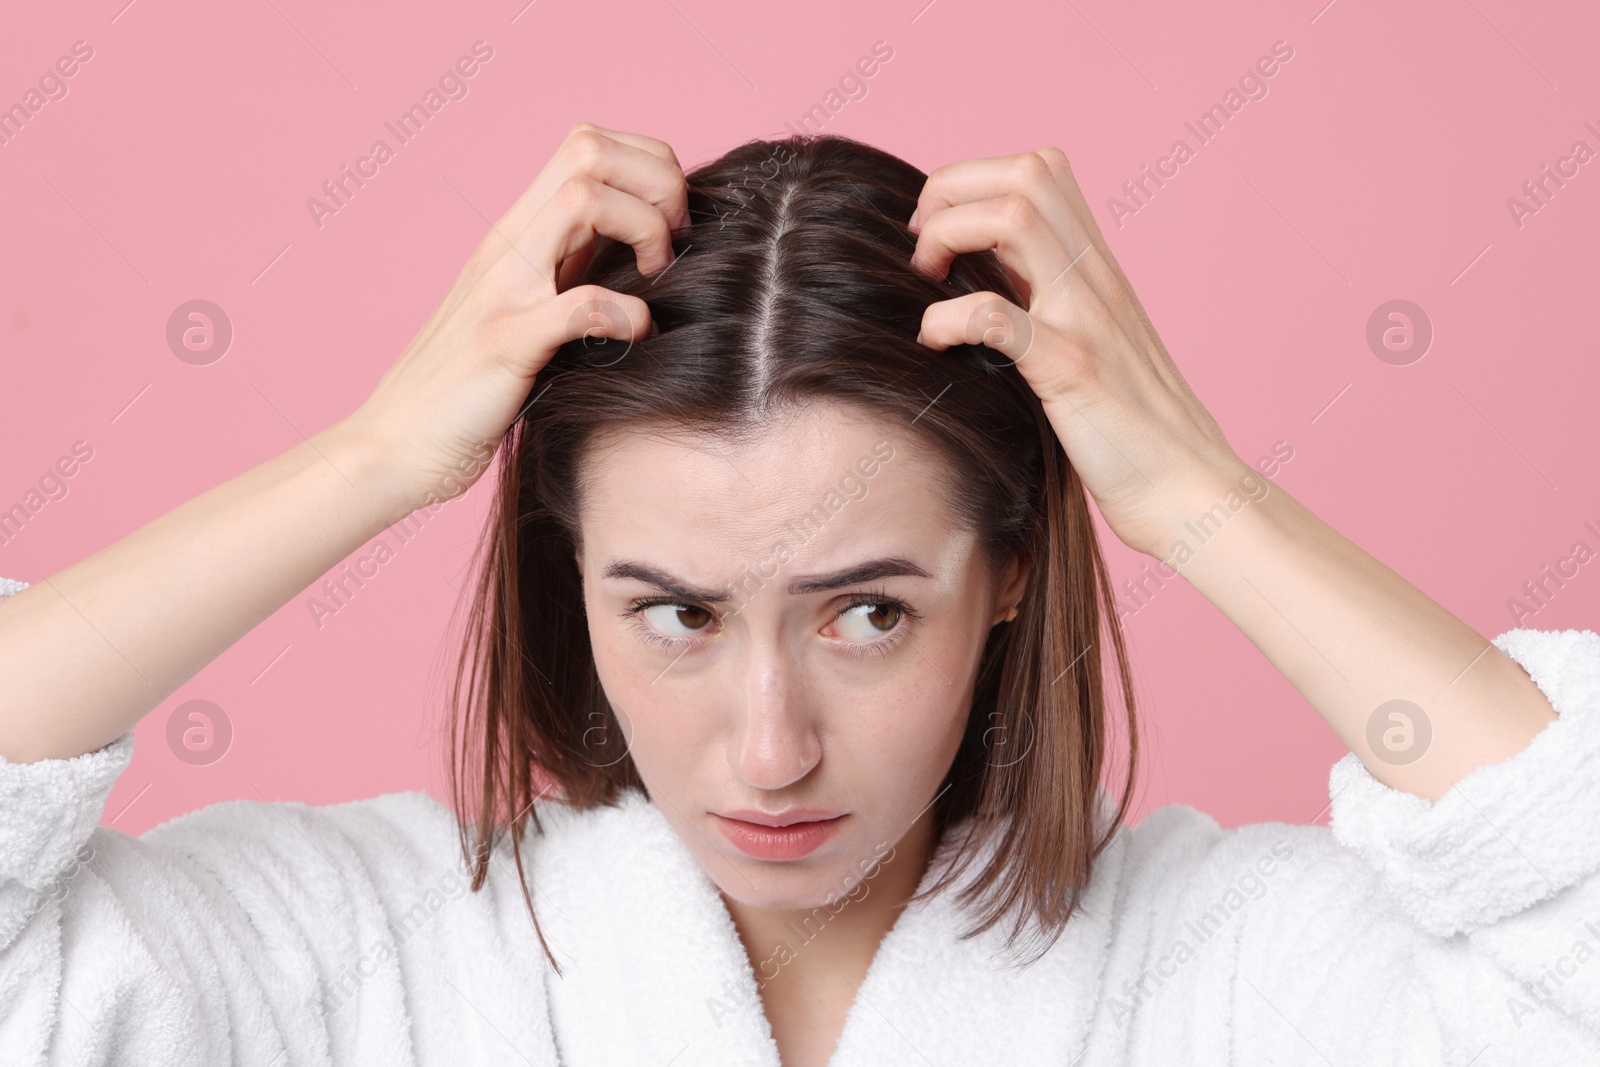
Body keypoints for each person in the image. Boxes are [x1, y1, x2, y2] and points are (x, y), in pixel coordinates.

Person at [0, 123, 1595, 1067]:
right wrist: (372, 457)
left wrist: (1195, 491)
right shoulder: (383, 956)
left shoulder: (1237, 973)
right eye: (677, 613)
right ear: (572, 581)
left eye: (869, 612)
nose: (769, 751)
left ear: (1015, 571)